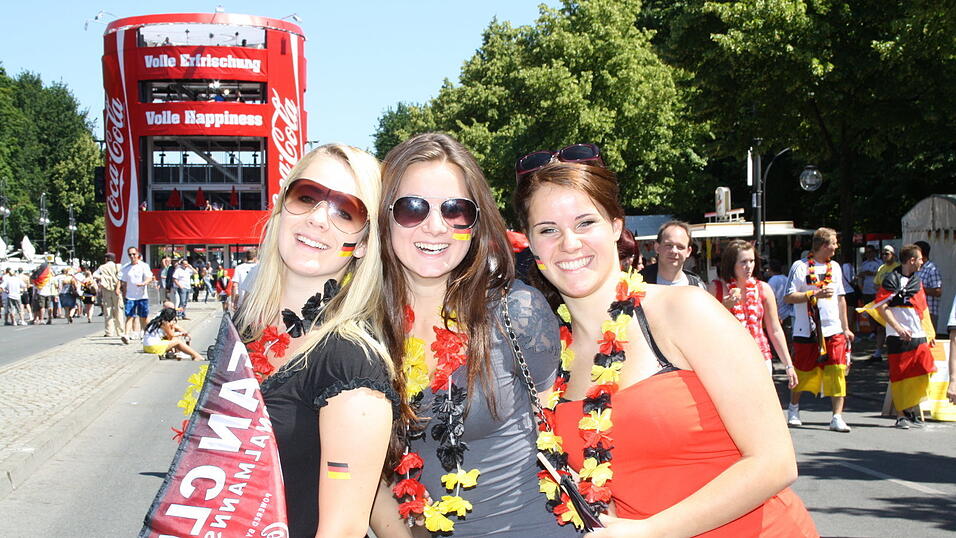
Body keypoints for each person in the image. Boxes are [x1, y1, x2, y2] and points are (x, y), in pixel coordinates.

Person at [512, 152, 816, 536]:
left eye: (585, 222)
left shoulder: (683, 310)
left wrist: (650, 531)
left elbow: (775, 461)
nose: (569, 243)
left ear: (615, 226)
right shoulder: (553, 356)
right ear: (531, 243)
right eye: (548, 229)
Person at [370, 133, 576, 537]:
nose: (435, 227)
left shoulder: (518, 310)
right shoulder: (364, 333)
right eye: (412, 208)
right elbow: (370, 478)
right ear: (385, 216)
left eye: (455, 210)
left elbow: (569, 429)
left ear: (475, 221)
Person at [233, 143, 399, 537]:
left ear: (363, 243)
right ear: (281, 208)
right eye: (306, 196)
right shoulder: (244, 329)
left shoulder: (350, 362)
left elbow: (341, 530)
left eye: (347, 211)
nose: (319, 219)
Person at [784, 228, 855, 432]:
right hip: (807, 330)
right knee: (802, 370)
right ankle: (794, 408)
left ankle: (837, 417)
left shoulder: (835, 267)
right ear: (824, 245)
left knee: (837, 371)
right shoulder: (800, 266)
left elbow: (841, 298)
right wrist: (813, 295)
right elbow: (789, 296)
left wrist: (846, 327)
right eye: (833, 243)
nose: (836, 246)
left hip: (833, 330)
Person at [708, 240, 797, 386]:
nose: (749, 266)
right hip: (728, 359)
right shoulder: (716, 288)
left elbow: (775, 330)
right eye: (743, 262)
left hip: (760, 356)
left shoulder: (763, 289)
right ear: (731, 264)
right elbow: (706, 327)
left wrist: (788, 365)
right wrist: (725, 307)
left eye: (752, 261)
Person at [877, 244, 937, 429]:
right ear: (911, 260)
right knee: (900, 375)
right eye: (919, 259)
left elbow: (923, 309)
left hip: (918, 333)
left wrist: (930, 332)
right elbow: (881, 306)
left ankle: (910, 407)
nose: (921, 262)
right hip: (898, 335)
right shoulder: (891, 280)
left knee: (924, 370)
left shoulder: (917, 282)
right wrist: (898, 328)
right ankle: (901, 414)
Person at [639, 220, 706, 288]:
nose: (674, 251)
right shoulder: (637, 283)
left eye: (680, 247)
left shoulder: (697, 286)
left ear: (688, 252)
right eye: (669, 245)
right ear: (657, 247)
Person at [120, 246, 154, 344]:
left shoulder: (144, 266)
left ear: (138, 254)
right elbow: (124, 282)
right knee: (129, 315)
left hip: (142, 295)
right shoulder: (126, 268)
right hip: (130, 296)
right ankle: (126, 335)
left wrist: (144, 283)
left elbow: (149, 277)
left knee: (143, 316)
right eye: (130, 254)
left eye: (134, 254)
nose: (132, 256)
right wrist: (123, 293)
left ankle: (146, 334)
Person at [872, 244, 900, 359]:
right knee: (880, 328)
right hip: (881, 302)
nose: (884, 256)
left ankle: (894, 352)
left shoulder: (898, 267)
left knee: (894, 327)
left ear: (893, 255)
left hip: (894, 303)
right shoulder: (881, 268)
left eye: (887, 253)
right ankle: (878, 351)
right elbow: (875, 284)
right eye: (883, 254)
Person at [914, 241, 943, 334]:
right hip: (916, 310)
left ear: (921, 253)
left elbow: (938, 291)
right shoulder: (916, 269)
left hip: (929, 312)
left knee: (928, 341)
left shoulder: (931, 269)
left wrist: (919, 289)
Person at [94, 252, 125, 337]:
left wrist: (104, 278)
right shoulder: (118, 266)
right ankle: (120, 331)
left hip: (106, 289)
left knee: (108, 310)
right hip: (117, 290)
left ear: (106, 259)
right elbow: (122, 276)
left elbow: (95, 275)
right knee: (119, 310)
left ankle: (109, 332)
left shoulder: (102, 267)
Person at [858, 245, 881, 337]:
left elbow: (882, 273)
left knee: (878, 311)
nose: (869, 254)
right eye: (867, 252)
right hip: (866, 290)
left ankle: (880, 329)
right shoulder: (864, 264)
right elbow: (860, 276)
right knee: (870, 311)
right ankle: (872, 331)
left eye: (870, 252)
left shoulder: (879, 262)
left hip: (876, 290)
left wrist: (871, 273)